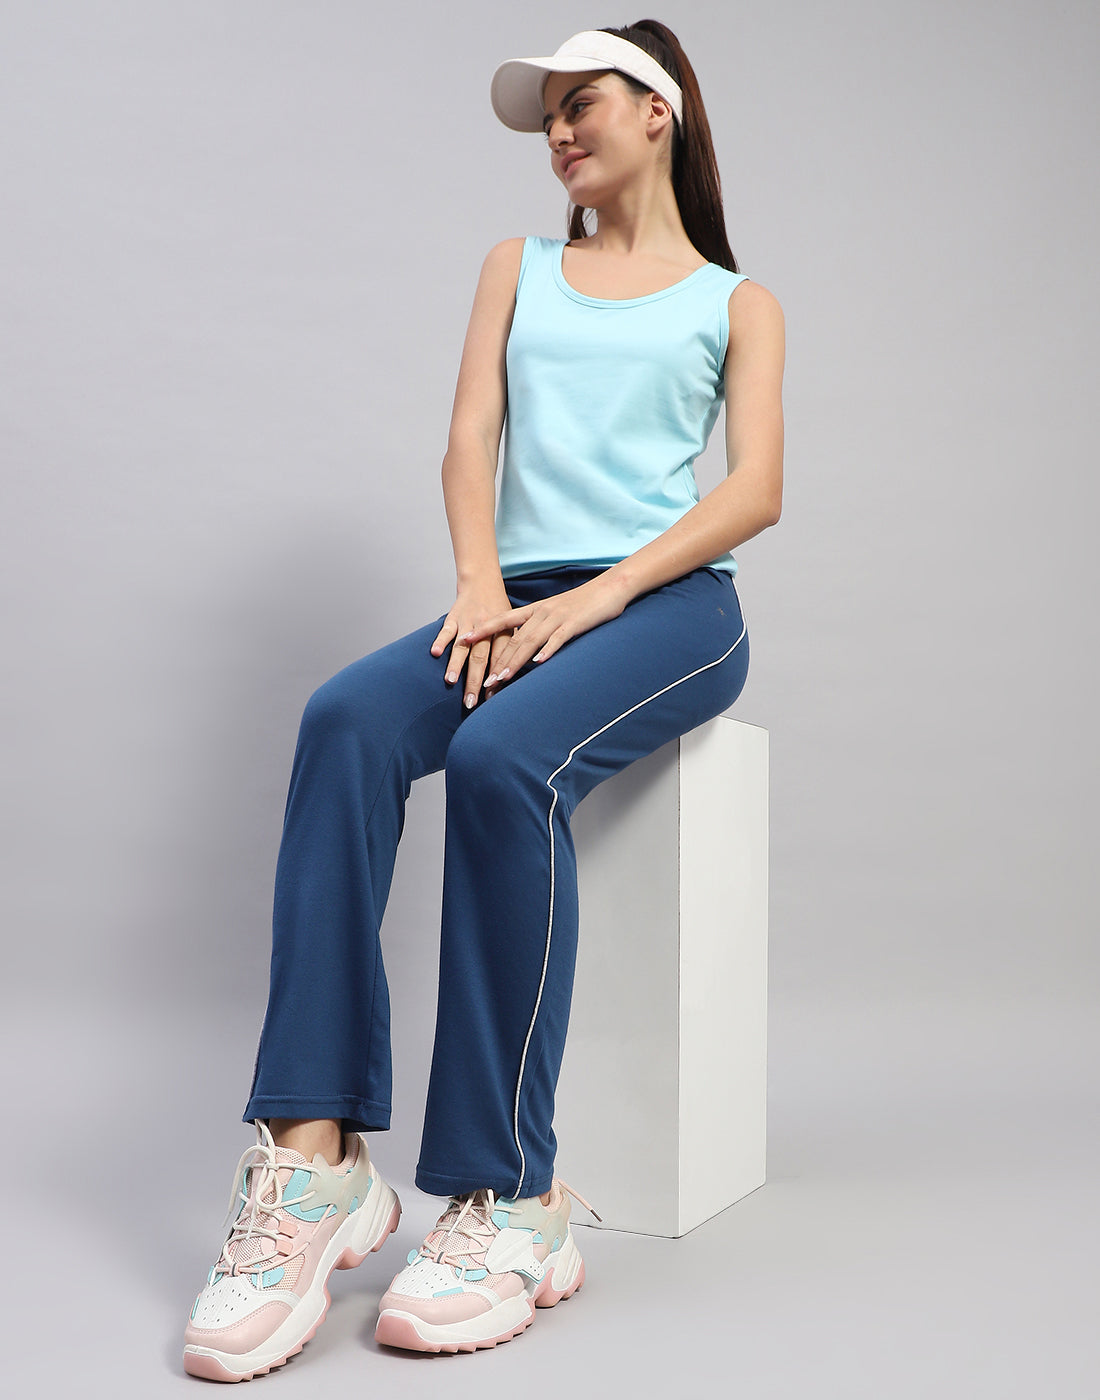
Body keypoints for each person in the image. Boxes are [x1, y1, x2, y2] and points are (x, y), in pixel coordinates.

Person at [182, 19, 784, 1379]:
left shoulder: (736, 303)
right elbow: (469, 439)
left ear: (658, 111)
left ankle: (513, 1196)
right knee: (346, 719)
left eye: (581, 104)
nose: (559, 132)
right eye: (547, 116)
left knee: (506, 760)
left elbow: (754, 491)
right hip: (514, 593)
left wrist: (598, 600)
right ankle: (316, 1156)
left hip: (673, 606)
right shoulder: (517, 267)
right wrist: (481, 586)